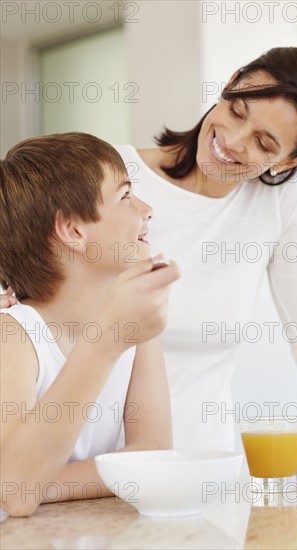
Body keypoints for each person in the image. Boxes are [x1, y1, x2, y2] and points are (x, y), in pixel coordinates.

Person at [1, 47, 297, 452]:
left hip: (201, 472)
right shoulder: (114, 181)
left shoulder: (278, 201)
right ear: (230, 83)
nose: (231, 141)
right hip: (89, 473)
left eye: (264, 144)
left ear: (289, 162)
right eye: (237, 111)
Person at [0, 132, 180, 517]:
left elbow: (152, 454)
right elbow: (16, 494)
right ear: (74, 231)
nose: (147, 209)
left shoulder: (136, 326)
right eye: (126, 195)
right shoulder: (12, 335)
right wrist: (106, 342)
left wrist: (42, 481)